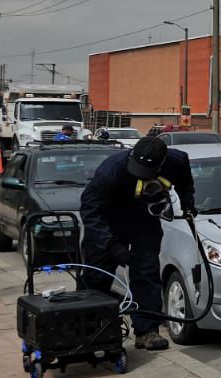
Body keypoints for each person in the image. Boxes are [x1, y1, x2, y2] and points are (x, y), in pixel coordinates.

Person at [80, 135, 196, 351]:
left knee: (147, 272)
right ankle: (90, 329)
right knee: (97, 276)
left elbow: (185, 184)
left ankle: (146, 331)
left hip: (144, 220)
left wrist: (188, 204)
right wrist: (112, 245)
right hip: (108, 221)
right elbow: (89, 210)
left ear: (161, 163)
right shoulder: (111, 170)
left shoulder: (177, 161)